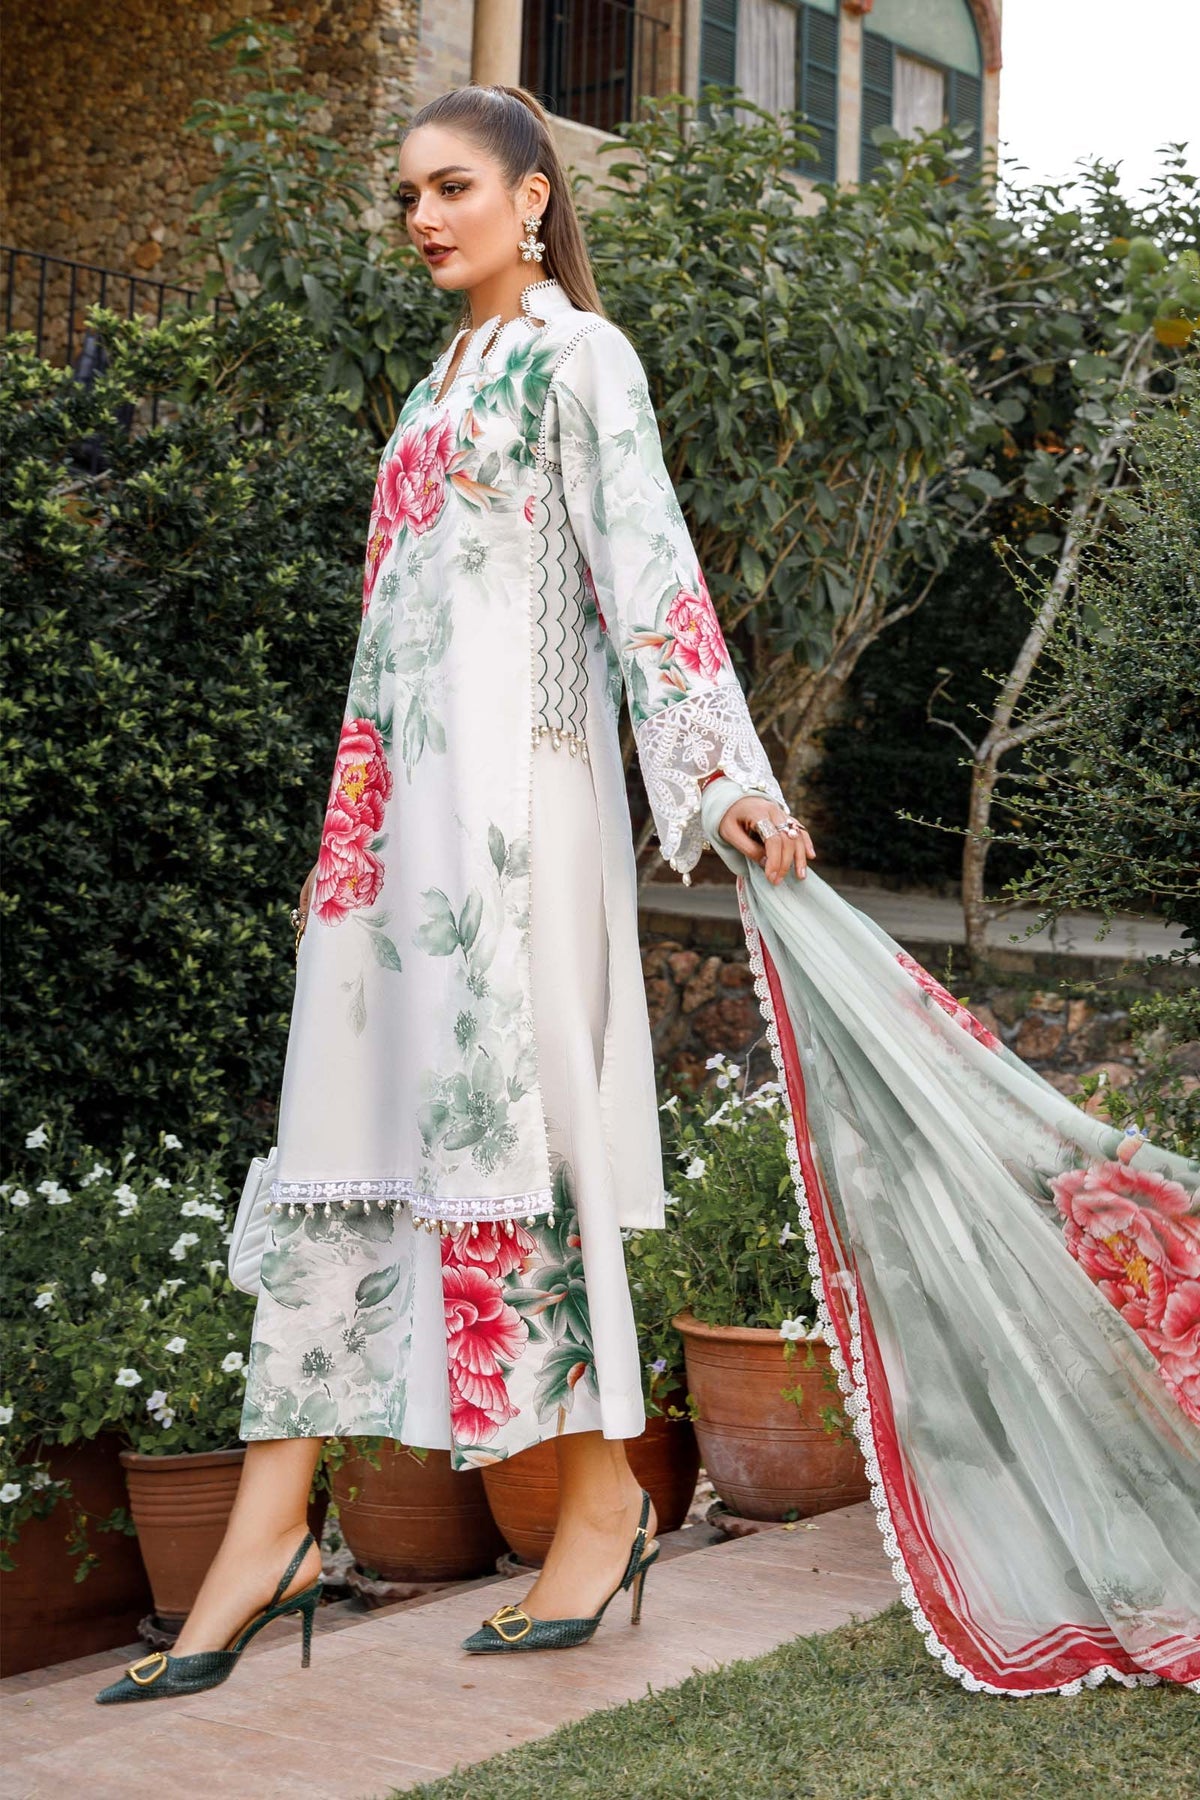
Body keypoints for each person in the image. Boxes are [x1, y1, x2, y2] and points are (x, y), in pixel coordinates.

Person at [95, 81, 813, 1705]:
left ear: (534, 195)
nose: (422, 215)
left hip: (511, 825)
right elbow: (388, 640)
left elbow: (650, 570)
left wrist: (723, 774)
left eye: (453, 187)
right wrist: (341, 841)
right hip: (393, 834)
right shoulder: (434, 387)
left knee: (512, 1147)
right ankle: (275, 1531)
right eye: (407, 193)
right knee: (340, 1138)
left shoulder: (580, 357)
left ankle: (597, 1504)